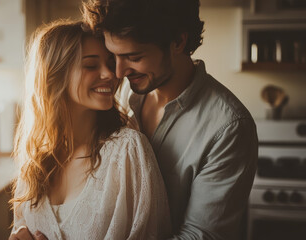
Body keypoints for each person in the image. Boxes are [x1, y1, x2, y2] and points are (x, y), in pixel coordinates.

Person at [83, 0, 259, 239]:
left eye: (133, 57)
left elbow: (202, 234)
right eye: (114, 56)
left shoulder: (229, 127)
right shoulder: (119, 95)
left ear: (178, 42)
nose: (119, 72)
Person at [8, 19, 171, 240]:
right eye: (91, 65)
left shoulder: (127, 150)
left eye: (110, 63)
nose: (110, 74)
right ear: (56, 75)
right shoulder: (34, 163)